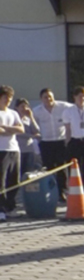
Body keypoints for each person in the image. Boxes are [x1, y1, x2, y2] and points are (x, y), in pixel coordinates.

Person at [33, 88, 71, 201]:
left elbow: (75, 110)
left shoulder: (64, 106)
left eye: (50, 96)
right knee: (48, 168)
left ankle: (62, 192)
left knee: (62, 168)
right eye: (45, 97)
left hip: (60, 141)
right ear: (41, 99)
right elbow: (34, 126)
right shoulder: (36, 111)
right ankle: (50, 191)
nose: (48, 99)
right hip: (46, 142)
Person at [0, 85, 25, 221]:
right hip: (1, 150)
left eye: (10, 98)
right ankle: (1, 209)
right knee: (1, 181)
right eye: (5, 97)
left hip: (14, 149)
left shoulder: (13, 113)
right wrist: (10, 130)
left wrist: (6, 128)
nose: (8, 100)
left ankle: (10, 207)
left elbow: (21, 129)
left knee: (14, 180)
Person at [15, 98, 41, 175]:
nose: (25, 109)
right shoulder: (15, 118)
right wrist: (32, 136)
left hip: (29, 149)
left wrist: (31, 117)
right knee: (19, 171)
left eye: (26, 106)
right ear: (17, 107)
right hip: (19, 148)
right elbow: (19, 133)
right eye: (22, 106)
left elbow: (36, 130)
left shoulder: (27, 119)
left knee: (28, 171)